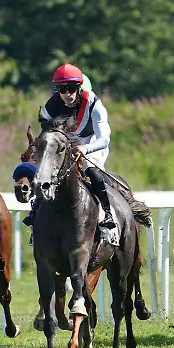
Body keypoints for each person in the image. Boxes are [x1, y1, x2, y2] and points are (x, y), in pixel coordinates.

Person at [24, 63, 116, 229]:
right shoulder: (51, 107)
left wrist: (85, 149)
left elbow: (104, 139)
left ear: (80, 87)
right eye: (62, 89)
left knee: (89, 166)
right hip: (66, 142)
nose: (67, 94)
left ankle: (108, 213)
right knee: (47, 167)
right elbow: (49, 136)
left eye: (72, 88)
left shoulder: (95, 105)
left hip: (92, 141)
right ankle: (35, 209)